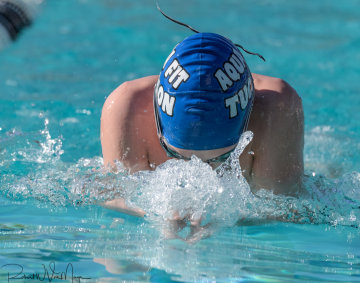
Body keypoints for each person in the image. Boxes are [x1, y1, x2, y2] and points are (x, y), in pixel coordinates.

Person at [100, 32, 304, 217]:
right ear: (157, 122)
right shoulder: (126, 109)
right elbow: (110, 197)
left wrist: (224, 217)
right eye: (177, 155)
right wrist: (157, 214)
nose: (198, 170)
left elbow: (287, 211)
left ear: (247, 122)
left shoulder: (276, 111)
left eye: (221, 157)